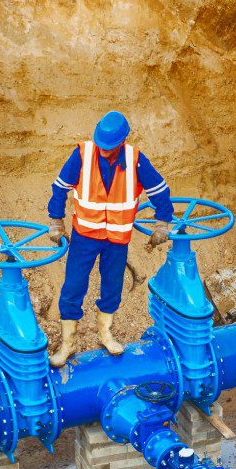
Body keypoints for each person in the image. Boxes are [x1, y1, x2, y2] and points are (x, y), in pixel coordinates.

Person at [46, 110, 174, 362]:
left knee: (113, 286)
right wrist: (56, 220)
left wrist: (162, 222)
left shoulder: (135, 159)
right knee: (73, 287)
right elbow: (60, 187)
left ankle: (105, 334)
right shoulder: (82, 154)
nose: (104, 151)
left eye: (109, 147)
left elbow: (159, 189)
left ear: (122, 141)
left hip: (116, 240)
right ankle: (67, 344)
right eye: (101, 146)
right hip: (85, 236)